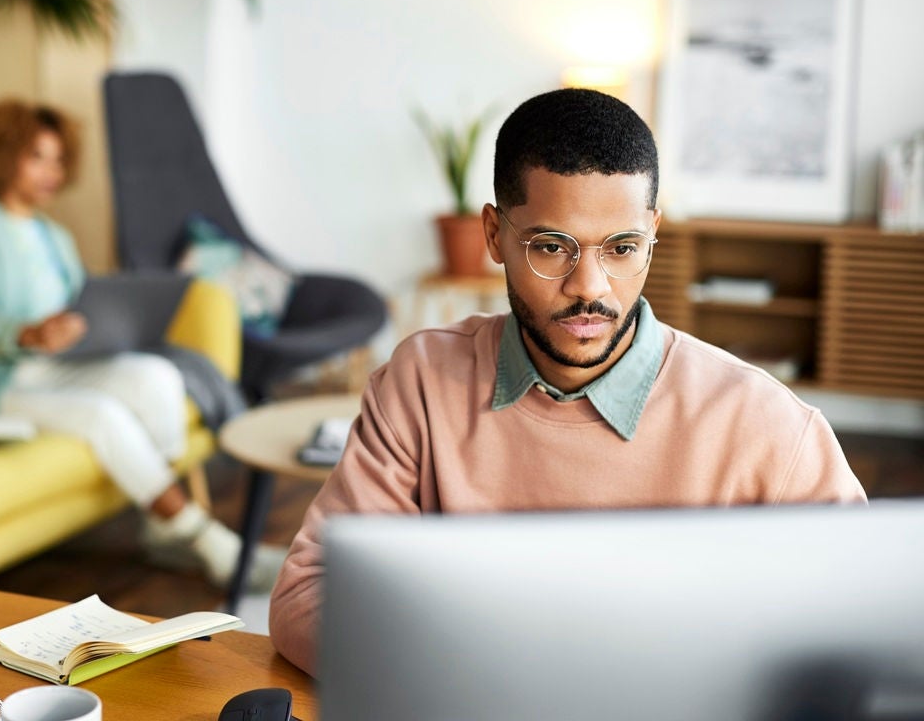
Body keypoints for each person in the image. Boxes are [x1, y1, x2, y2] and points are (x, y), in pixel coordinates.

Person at [267, 88, 867, 675]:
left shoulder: (766, 424)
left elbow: (861, 624)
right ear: (494, 235)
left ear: (652, 234)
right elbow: (310, 594)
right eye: (552, 247)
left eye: (623, 248)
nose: (590, 287)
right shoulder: (420, 383)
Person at [0, 98, 282, 591]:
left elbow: (77, 300)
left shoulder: (54, 235)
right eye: (37, 157)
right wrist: (24, 333)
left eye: (58, 159)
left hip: (56, 364)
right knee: (103, 416)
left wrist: (97, 323)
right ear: (0, 155)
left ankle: (161, 526)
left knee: (157, 375)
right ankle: (209, 543)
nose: (52, 172)